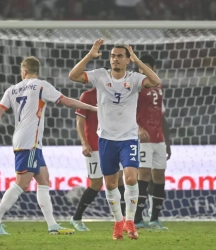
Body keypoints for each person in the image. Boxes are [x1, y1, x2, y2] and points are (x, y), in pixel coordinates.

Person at [0, 56, 97, 235]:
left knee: (43, 179)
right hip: (29, 141)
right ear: (37, 70)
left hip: (27, 140)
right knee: (22, 183)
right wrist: (92, 108)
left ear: (23, 71)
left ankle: (52, 226)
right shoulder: (41, 85)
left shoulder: (12, 89)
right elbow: (66, 101)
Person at [68, 39, 161, 240]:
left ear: (127, 60)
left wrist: (138, 61)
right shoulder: (100, 76)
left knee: (130, 178)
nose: (115, 59)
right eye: (112, 56)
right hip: (106, 139)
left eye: (120, 56)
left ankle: (130, 222)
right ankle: (118, 223)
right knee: (110, 184)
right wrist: (89, 55)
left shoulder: (135, 78)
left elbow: (155, 81)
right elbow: (73, 75)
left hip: (128, 138)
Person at [70, 87, 126, 231]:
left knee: (119, 179)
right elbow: (80, 121)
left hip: (113, 143)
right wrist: (84, 143)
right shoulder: (87, 96)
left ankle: (123, 220)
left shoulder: (115, 93)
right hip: (94, 146)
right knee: (96, 183)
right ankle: (76, 218)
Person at [133, 54, 171, 230]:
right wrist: (138, 128)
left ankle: (154, 218)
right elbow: (126, 111)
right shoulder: (135, 86)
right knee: (144, 176)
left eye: (147, 66)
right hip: (143, 139)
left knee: (159, 176)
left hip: (158, 139)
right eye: (141, 66)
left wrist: (168, 142)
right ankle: (137, 218)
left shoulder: (159, 86)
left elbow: (162, 116)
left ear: (154, 68)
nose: (143, 70)